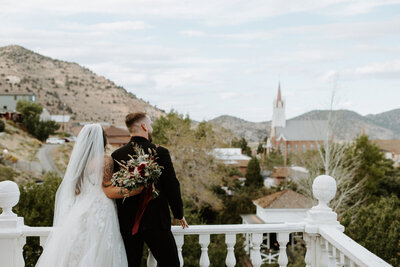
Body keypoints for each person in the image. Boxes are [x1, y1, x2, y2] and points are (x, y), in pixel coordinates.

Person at [36, 124, 142, 267]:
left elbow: (76, 190)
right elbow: (109, 190)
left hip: (80, 210)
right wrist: (136, 189)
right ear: (103, 141)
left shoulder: (79, 163)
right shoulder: (105, 160)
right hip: (102, 210)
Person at [111, 112, 188, 267]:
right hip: (157, 223)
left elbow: (115, 188)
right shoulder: (160, 152)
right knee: (171, 264)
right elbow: (172, 185)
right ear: (144, 127)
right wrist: (178, 213)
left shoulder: (117, 155)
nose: (151, 128)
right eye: (150, 125)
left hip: (128, 224)